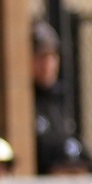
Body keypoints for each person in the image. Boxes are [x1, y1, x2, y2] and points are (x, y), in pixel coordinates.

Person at [31, 21, 74, 165]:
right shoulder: (26, 102)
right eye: (41, 58)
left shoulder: (58, 98)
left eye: (53, 57)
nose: (48, 65)